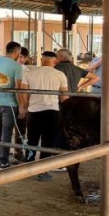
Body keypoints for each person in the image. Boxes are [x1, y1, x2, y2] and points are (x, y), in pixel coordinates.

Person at [18, 51, 69, 180]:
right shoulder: (60, 75)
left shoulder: (29, 73)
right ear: (55, 61)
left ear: (41, 60)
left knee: (32, 140)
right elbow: (64, 97)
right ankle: (43, 170)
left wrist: (24, 107)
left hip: (34, 111)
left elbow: (23, 93)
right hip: (52, 112)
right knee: (48, 141)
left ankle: (28, 167)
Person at [0, 41, 24, 169]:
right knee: (6, 132)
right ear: (16, 52)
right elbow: (18, 88)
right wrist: (21, 106)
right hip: (9, 103)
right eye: (19, 53)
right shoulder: (17, 66)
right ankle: (3, 160)